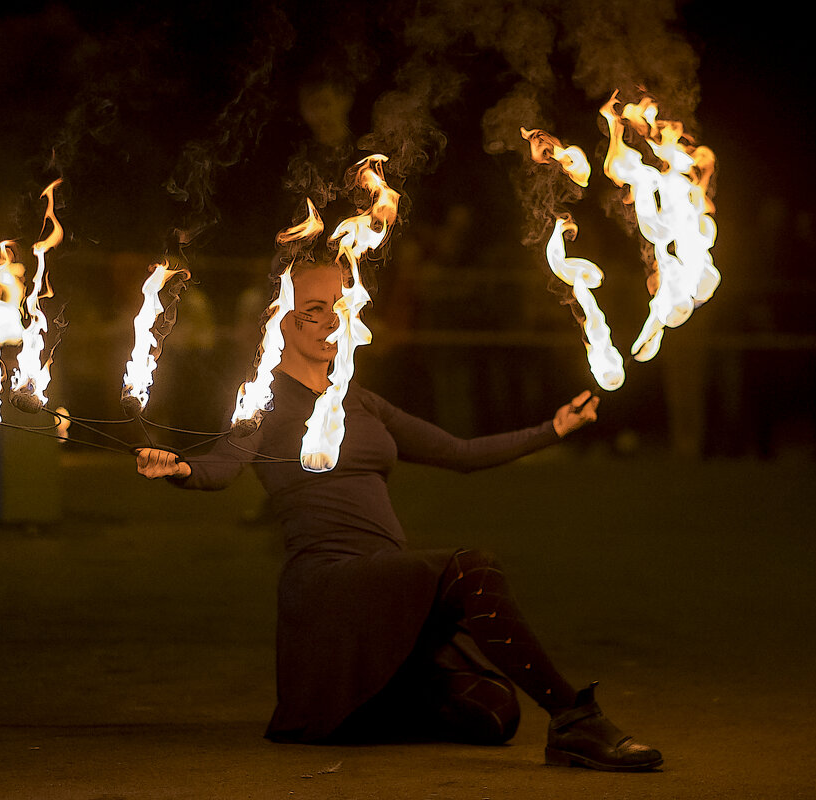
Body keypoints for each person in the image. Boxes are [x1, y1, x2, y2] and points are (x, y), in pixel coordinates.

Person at [135, 261, 662, 771]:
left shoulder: (360, 401)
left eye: (336, 309)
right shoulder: (262, 405)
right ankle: (574, 718)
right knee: (470, 568)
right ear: (280, 321)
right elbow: (220, 467)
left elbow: (461, 453)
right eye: (311, 311)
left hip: (385, 582)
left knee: (494, 714)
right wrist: (179, 466)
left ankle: (376, 696)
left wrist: (554, 429)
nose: (327, 323)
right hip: (329, 588)